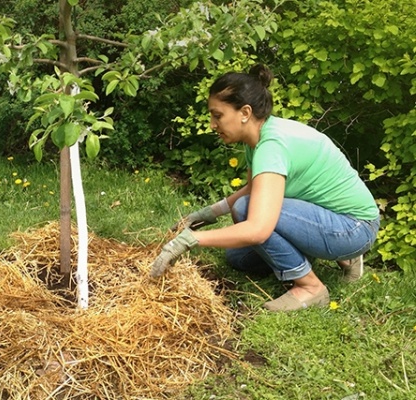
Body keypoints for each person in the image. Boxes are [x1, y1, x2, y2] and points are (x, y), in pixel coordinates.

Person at [150, 64, 380, 312]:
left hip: (354, 227)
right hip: (325, 219)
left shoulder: (272, 146)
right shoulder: (259, 137)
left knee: (247, 211)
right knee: (237, 258)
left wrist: (189, 240)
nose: (212, 124)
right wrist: (207, 214)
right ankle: (325, 255)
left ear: (245, 112)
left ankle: (311, 287)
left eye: (217, 115)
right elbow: (253, 189)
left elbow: (259, 228)